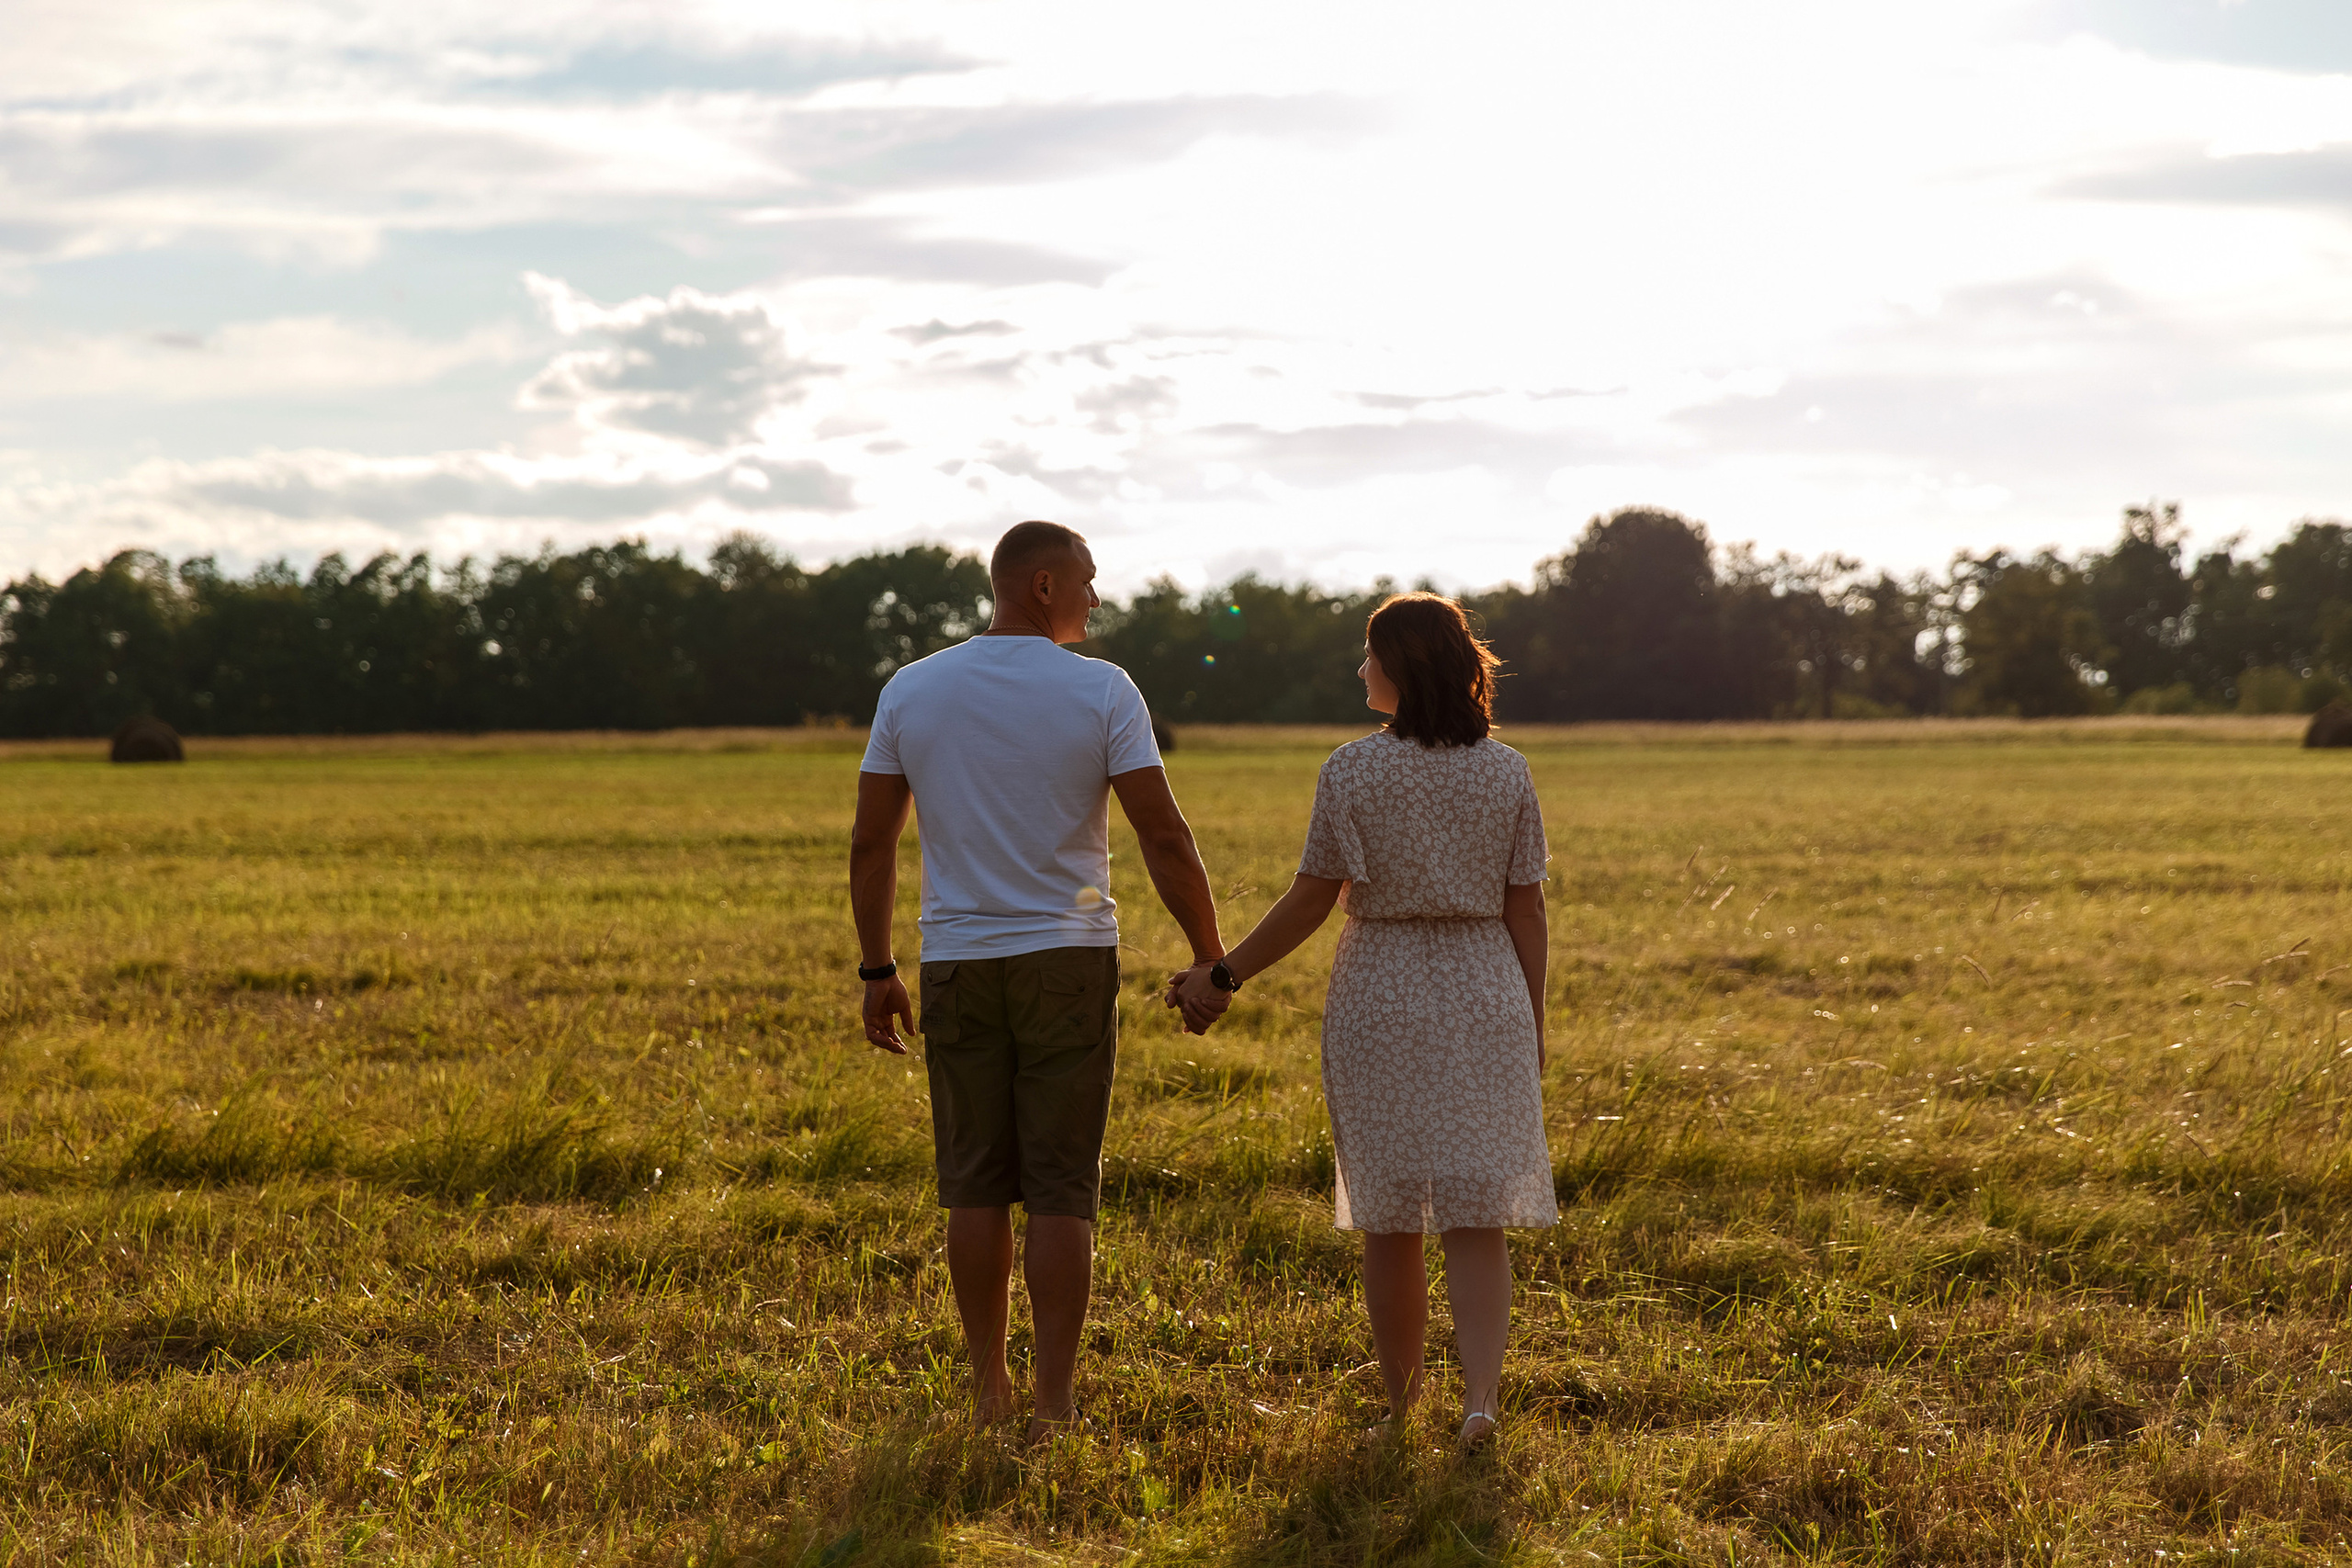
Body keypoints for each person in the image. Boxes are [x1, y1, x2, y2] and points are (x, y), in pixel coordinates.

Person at [849, 520, 1227, 1444]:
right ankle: (1053, 1403)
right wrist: (1209, 958)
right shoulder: (1102, 689)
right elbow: (1163, 834)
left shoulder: (910, 688)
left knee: (973, 1184)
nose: (1097, 597)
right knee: (1061, 1187)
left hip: (956, 961)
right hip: (1067, 960)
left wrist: (878, 967)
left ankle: (990, 1392)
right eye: (1087, 580)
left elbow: (871, 842)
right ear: (1045, 585)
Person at [1168, 592, 1555, 1450]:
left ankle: (1402, 1408)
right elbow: (1525, 908)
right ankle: (1480, 1403)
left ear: (1400, 666)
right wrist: (1531, 1018)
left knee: (1391, 1213)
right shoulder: (1508, 771)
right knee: (1476, 1212)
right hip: (1485, 985)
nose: (1360, 669)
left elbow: (1311, 900)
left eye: (1369, 655)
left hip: (1381, 989)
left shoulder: (1351, 769)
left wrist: (1223, 973)